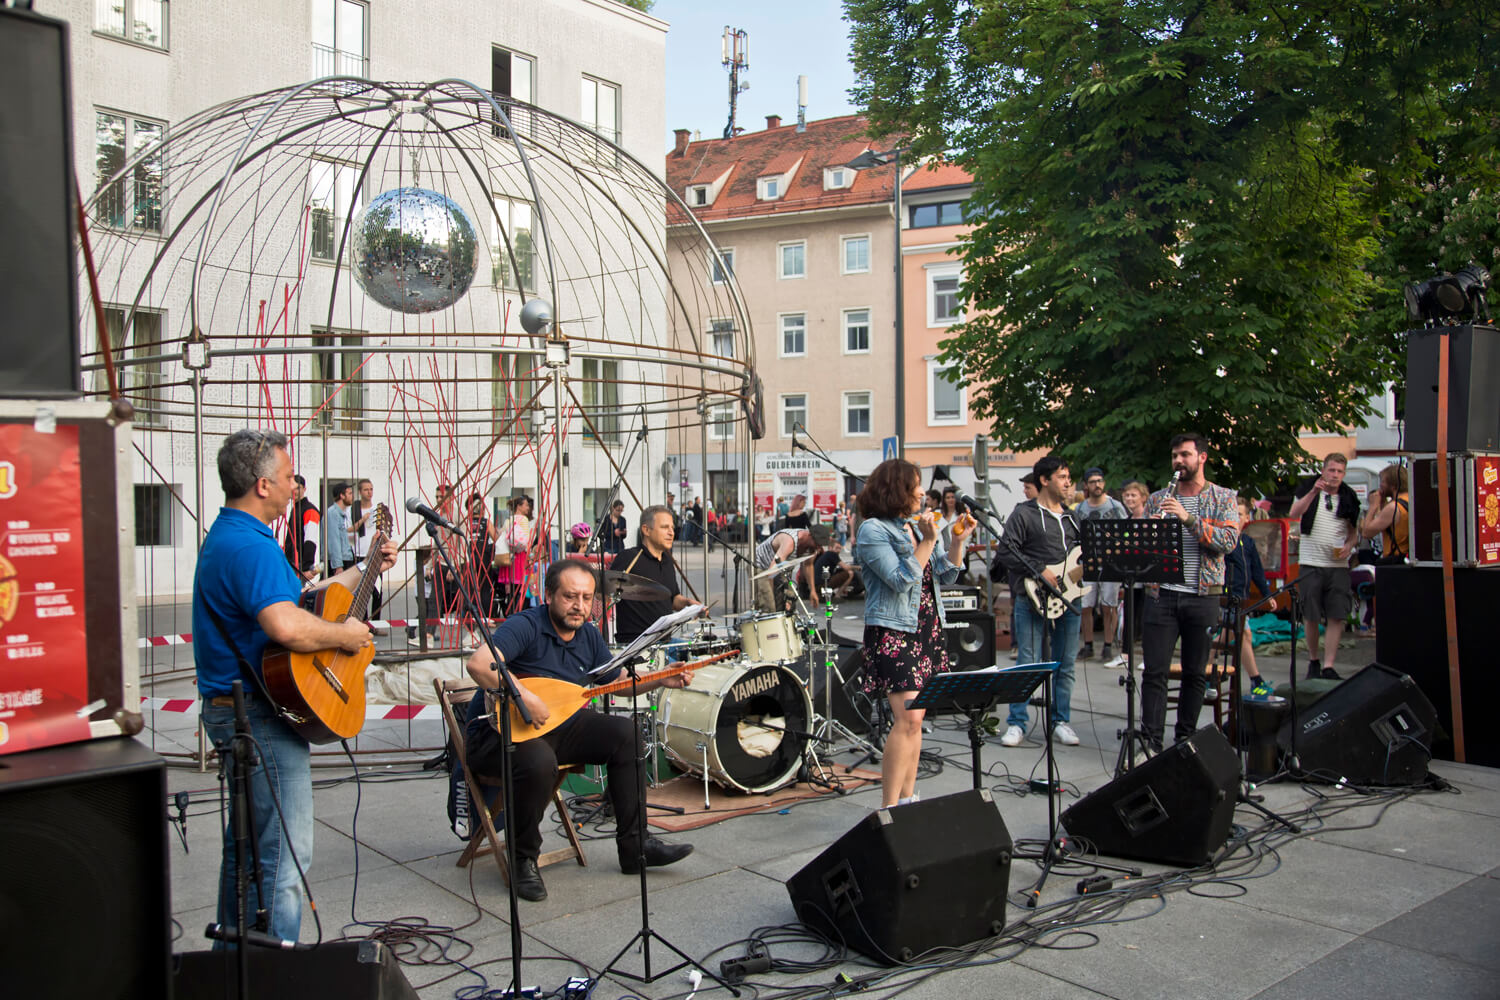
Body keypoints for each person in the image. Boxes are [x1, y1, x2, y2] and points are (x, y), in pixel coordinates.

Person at [193, 429, 396, 945]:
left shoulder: (234, 535)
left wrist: (365, 567)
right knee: (284, 859)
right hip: (259, 715)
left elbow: (303, 599)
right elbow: (286, 626)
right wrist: (346, 635)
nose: (294, 486)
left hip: (239, 706)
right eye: (287, 477)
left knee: (246, 852)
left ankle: (233, 965)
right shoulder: (250, 545)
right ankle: (275, 967)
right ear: (262, 485)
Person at [463, 560, 694, 901]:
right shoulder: (525, 625)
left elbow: (616, 681)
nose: (579, 606)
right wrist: (523, 696)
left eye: (587, 598)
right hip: (500, 735)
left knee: (626, 734)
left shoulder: (587, 634)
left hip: (557, 724)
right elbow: (480, 663)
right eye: (570, 596)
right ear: (549, 595)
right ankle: (523, 860)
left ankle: (636, 848)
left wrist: (660, 679)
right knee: (539, 761)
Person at [855, 458, 973, 806]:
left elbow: (945, 574)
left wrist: (956, 542)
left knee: (916, 719)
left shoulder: (914, 527)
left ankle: (908, 800)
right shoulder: (873, 530)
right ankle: (889, 807)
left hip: (926, 627)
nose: (923, 492)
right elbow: (901, 579)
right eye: (916, 485)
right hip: (894, 631)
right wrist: (929, 540)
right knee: (906, 718)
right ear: (897, 489)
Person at [1140, 433, 1241, 755]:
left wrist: (1187, 518)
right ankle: (1151, 742)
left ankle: (1185, 739)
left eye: (1185, 455)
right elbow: (1143, 553)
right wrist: (1149, 533)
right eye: (1175, 456)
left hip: (1202, 596)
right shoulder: (1158, 499)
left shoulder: (1223, 497)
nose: (1178, 461)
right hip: (1162, 594)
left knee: (1195, 673)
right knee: (1154, 672)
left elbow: (1227, 542)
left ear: (1202, 458)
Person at [995, 457, 1083, 747]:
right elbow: (1006, 552)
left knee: (1065, 664)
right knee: (1027, 662)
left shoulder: (1073, 519)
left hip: (1068, 598)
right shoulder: (1024, 514)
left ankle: (1060, 721)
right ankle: (1017, 722)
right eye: (1062, 477)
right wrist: (1038, 569)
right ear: (1045, 480)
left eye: (1069, 477)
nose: (1068, 482)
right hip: (1031, 597)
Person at [1287, 453, 1360, 680]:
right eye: (1331, 470)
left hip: (1337, 565)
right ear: (1323, 470)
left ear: (1344, 474)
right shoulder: (1308, 489)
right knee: (1311, 615)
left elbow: (1354, 532)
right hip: (1311, 562)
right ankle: (1314, 660)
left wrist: (1349, 546)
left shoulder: (1349, 497)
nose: (1335, 475)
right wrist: (1313, 492)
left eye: (1339, 471)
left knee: (1337, 615)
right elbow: (1294, 514)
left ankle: (1329, 665)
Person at [612, 505, 699, 643]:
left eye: (672, 528)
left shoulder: (667, 561)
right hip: (636, 644)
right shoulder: (628, 558)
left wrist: (688, 604)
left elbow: (673, 600)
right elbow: (606, 591)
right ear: (646, 530)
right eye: (665, 527)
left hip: (665, 640)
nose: (671, 533)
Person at [1074, 468, 1128, 662]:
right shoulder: (1080, 509)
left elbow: (1125, 532)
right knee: (1086, 605)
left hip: (1110, 563)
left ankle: (1107, 645)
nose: (1097, 485)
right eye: (1092, 482)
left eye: (1100, 481)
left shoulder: (1115, 506)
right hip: (1088, 562)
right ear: (1086, 485)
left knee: (1108, 605)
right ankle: (1088, 644)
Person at [1227, 495, 1275, 699]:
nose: (1236, 518)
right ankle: (1256, 679)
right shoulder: (1225, 540)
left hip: (1243, 597)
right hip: (1228, 596)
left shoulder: (1247, 541)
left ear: (1247, 518)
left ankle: (1206, 671)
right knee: (1242, 634)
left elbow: (1257, 570)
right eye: (1233, 514)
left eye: (1239, 514)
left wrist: (1267, 595)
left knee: (1230, 635)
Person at [753, 523, 831, 613]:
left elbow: (808, 566)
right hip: (760, 565)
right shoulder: (789, 541)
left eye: (820, 545)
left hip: (781, 569)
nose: (818, 547)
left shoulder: (812, 548)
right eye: (817, 543)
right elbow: (771, 572)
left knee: (790, 600)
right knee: (769, 605)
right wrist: (770, 596)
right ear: (809, 535)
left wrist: (812, 591)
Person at [350, 479, 385, 621]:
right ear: (360, 492)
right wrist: (363, 519)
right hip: (359, 554)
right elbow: (349, 530)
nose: (369, 492)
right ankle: (362, 621)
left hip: (375, 554)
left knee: (377, 591)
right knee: (361, 592)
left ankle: (376, 623)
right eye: (366, 489)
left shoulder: (378, 509)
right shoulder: (353, 510)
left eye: (371, 489)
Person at [465, 493, 500, 619]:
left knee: (471, 588)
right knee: (485, 588)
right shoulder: (485, 522)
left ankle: (471, 616)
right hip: (484, 558)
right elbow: (496, 539)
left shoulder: (465, 523)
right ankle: (485, 617)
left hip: (469, 557)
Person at [499, 495, 535, 615]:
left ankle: (510, 612)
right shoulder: (523, 520)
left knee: (511, 589)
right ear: (519, 506)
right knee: (522, 588)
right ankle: (520, 612)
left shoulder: (508, 520)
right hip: (521, 557)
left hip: (510, 557)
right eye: (526, 505)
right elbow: (526, 542)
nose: (528, 508)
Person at [282, 474, 319, 582]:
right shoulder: (296, 508)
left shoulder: (309, 510)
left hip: (299, 565)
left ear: (304, 489)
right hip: (291, 562)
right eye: (292, 487)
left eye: (298, 488)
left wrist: (306, 568)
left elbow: (310, 539)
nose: (295, 491)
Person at [321, 481, 354, 577]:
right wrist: (338, 566)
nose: (352, 496)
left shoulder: (341, 514)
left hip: (345, 558)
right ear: (342, 496)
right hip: (339, 562)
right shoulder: (333, 513)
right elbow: (333, 540)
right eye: (350, 493)